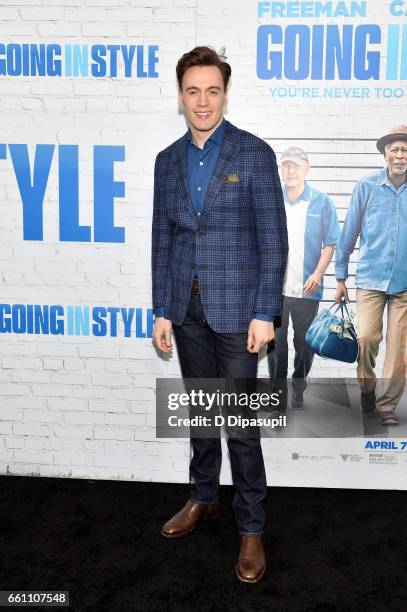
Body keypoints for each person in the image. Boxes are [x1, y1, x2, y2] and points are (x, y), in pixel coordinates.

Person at [151, 46, 288, 583]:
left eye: (212, 90)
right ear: (180, 96)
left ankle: (250, 527)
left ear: (225, 94)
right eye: (192, 91)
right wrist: (163, 309)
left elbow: (273, 239)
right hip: (185, 310)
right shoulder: (166, 160)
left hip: (239, 313)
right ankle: (202, 497)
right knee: (203, 415)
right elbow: (163, 241)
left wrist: (264, 312)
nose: (202, 101)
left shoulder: (254, 153)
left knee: (239, 424)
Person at [335, 125, 407, 426]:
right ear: (385, 153)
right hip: (370, 280)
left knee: (399, 349)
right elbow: (349, 232)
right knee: (365, 338)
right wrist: (340, 276)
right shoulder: (366, 187)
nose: (400, 155)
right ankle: (366, 387)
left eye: (405, 150)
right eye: (395, 149)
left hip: (404, 283)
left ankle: (387, 404)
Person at [268, 147, 340, 408]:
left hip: (308, 290)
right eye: (286, 165)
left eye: (296, 166)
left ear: (306, 169)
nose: (291, 171)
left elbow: (331, 242)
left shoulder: (321, 202)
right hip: (275, 289)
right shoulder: (272, 199)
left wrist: (318, 274)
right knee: (275, 345)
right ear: (281, 169)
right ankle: (278, 395)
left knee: (304, 344)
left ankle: (298, 383)